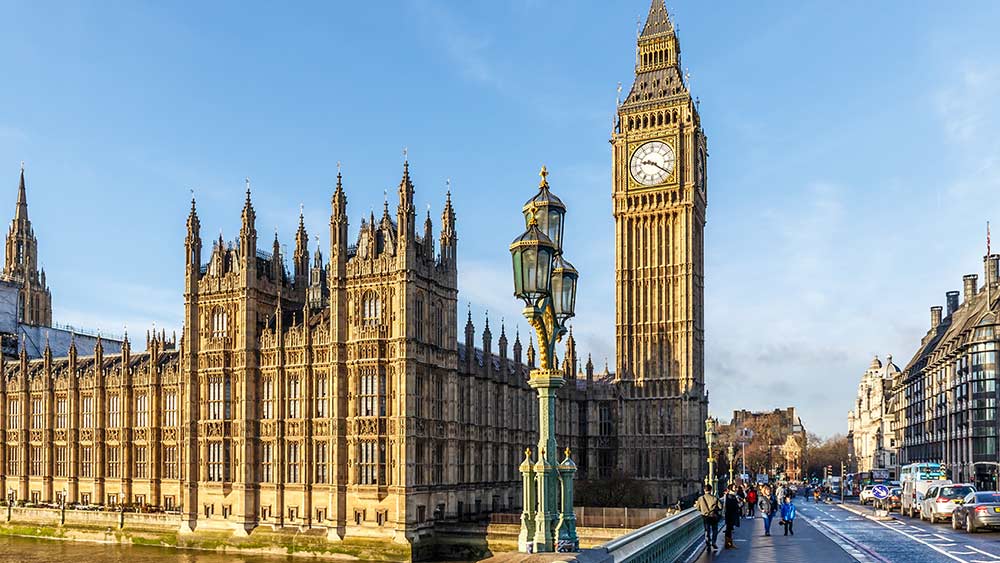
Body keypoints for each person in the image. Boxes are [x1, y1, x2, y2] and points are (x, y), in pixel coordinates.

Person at [694, 485, 722, 550]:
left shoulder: (700, 498)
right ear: (711, 490)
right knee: (715, 530)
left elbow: (698, 508)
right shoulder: (715, 498)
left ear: (704, 490)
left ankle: (708, 543)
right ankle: (714, 542)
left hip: (705, 517)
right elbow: (720, 507)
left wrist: (704, 510)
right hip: (713, 516)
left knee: (707, 530)